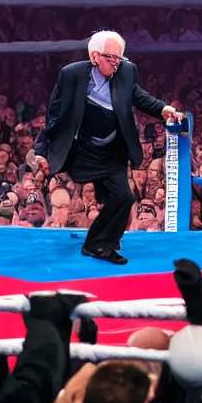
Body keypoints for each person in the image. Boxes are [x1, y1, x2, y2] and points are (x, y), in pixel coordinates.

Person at [33, 31, 184, 265]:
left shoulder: (126, 71)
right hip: (83, 149)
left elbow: (139, 96)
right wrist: (41, 150)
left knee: (123, 198)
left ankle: (101, 244)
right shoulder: (71, 75)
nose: (116, 63)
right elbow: (54, 115)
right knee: (112, 196)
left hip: (113, 148)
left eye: (119, 58)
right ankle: (98, 243)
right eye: (110, 58)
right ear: (94, 56)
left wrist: (164, 109)